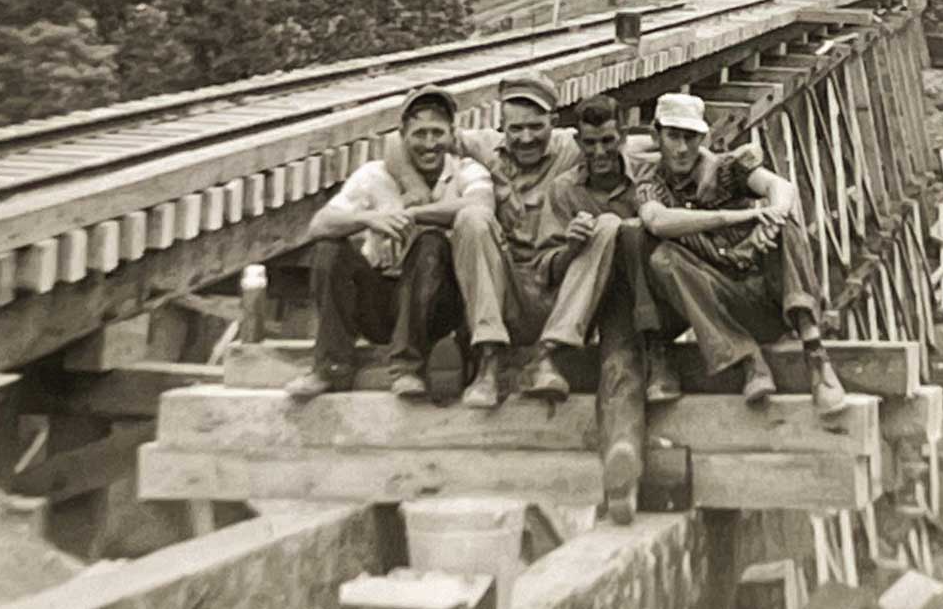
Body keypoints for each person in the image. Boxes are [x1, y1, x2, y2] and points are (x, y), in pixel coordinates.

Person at [635, 92, 849, 422]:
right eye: (673, 137)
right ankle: (748, 360)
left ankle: (816, 354)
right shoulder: (652, 185)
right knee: (663, 258)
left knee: (786, 226)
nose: (681, 149)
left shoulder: (727, 167)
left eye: (690, 138)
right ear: (656, 136)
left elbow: (781, 187)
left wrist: (773, 216)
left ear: (703, 138)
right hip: (717, 307)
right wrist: (736, 218)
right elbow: (655, 221)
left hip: (767, 303)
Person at [286, 84, 496, 402]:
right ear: (403, 135)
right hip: (381, 301)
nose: (429, 144)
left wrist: (414, 214)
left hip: (438, 306)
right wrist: (367, 219)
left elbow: (481, 206)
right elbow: (318, 225)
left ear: (452, 134)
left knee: (431, 243)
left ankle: (408, 368)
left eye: (437, 133)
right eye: (419, 134)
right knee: (329, 249)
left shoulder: (466, 170)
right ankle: (329, 367)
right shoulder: (374, 174)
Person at [447, 70, 592, 406]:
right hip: (501, 292)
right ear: (502, 126)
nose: (526, 138)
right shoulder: (485, 146)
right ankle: (489, 360)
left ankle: (548, 357)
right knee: (471, 217)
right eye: (516, 128)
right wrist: (498, 181)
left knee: (603, 229)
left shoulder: (573, 147)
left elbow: (636, 143)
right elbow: (401, 139)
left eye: (536, 127)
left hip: (555, 291)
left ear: (553, 121)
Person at [527, 94, 681, 404]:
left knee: (626, 228)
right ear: (578, 142)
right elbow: (545, 271)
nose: (600, 152)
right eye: (590, 143)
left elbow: (697, 159)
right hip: (590, 301)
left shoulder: (650, 174)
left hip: (648, 295)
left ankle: (655, 351)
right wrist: (571, 247)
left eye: (608, 141)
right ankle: (551, 349)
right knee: (608, 225)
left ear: (624, 136)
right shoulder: (563, 189)